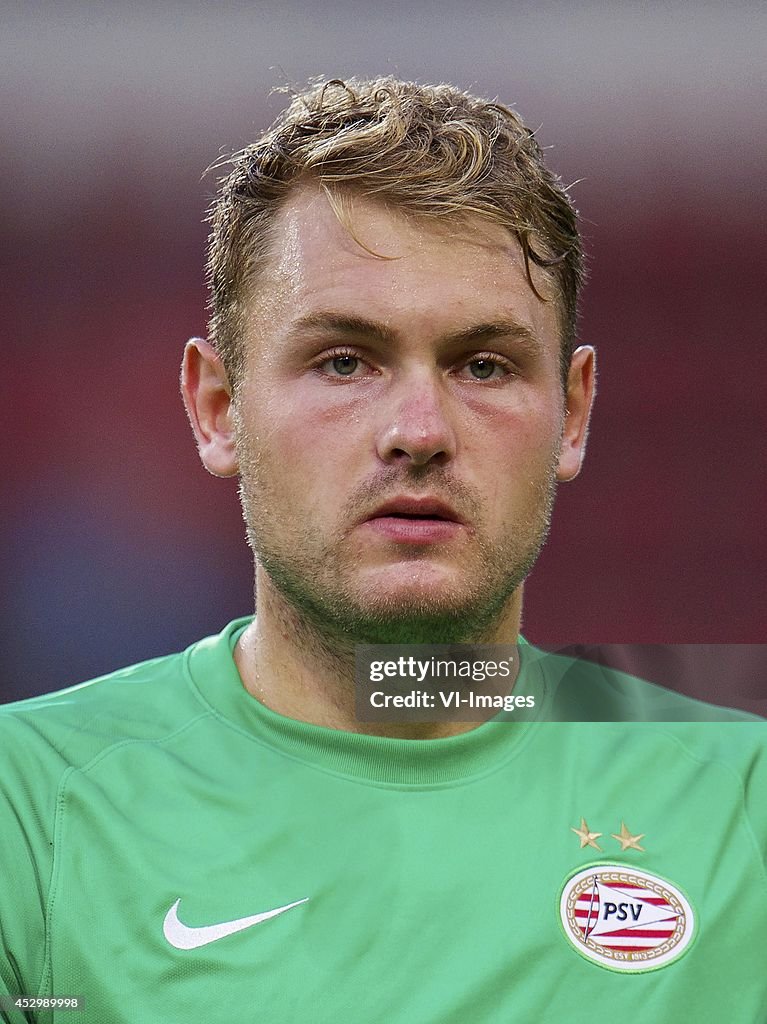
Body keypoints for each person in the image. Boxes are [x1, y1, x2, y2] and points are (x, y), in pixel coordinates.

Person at [1, 76, 764, 1024]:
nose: (418, 430)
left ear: (572, 416)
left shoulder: (743, 810)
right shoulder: (28, 813)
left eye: (483, 364)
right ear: (217, 408)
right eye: (344, 360)